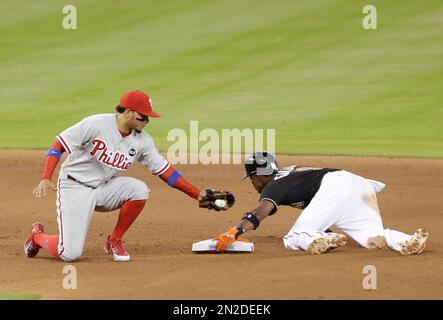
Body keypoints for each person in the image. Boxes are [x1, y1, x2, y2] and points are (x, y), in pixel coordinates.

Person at [25, 90, 216, 262]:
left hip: (104, 188)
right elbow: (58, 145)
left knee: (139, 189)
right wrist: (45, 177)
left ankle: (114, 240)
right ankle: (36, 237)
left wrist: (197, 194)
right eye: (143, 117)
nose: (147, 121)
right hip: (75, 187)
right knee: (69, 254)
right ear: (128, 111)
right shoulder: (95, 124)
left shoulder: (143, 141)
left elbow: (166, 172)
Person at [213, 151, 429, 255]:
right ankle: (408, 241)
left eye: (251, 178)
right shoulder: (289, 173)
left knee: (294, 237)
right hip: (358, 184)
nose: (252, 183)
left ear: (258, 175)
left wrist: (235, 231)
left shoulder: (273, 186)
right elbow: (321, 205)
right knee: (371, 236)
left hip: (334, 186)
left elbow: (260, 212)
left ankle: (318, 239)